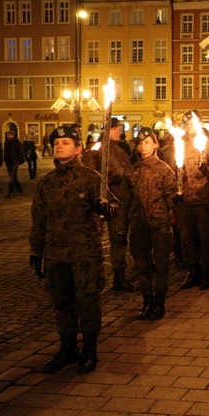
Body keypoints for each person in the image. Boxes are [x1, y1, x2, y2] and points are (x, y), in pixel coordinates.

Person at [29, 125, 118, 374]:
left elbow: (113, 205)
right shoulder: (47, 183)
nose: (60, 146)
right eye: (57, 143)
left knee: (88, 301)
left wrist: (105, 208)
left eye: (66, 142)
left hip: (85, 254)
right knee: (62, 303)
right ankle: (68, 348)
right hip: (56, 254)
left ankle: (89, 350)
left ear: (78, 147)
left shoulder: (90, 177)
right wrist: (36, 251)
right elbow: (39, 220)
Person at [118, 128, 178, 321]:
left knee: (161, 266)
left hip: (159, 224)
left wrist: (177, 201)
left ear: (155, 144)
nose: (143, 146)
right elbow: (124, 201)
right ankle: (147, 301)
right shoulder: (132, 171)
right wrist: (121, 228)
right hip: (138, 225)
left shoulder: (164, 170)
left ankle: (159, 303)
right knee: (141, 266)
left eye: (147, 142)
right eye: (140, 143)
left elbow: (171, 197)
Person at [83, 118, 134, 292]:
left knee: (119, 238)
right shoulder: (96, 150)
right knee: (94, 239)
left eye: (119, 128)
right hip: (100, 202)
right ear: (106, 130)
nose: (118, 131)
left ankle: (120, 278)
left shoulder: (120, 150)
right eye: (115, 129)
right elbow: (90, 176)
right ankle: (93, 276)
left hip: (118, 202)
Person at [175, 110, 209, 290]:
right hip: (184, 199)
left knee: (204, 238)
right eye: (186, 124)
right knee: (186, 238)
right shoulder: (179, 143)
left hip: (203, 198)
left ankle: (205, 271)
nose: (189, 127)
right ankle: (192, 271)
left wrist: (206, 169)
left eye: (191, 123)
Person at [4, 130, 24, 196]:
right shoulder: (6, 143)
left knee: (12, 176)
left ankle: (11, 192)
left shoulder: (18, 143)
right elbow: (6, 152)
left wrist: (17, 160)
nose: (8, 136)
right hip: (8, 162)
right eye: (8, 135)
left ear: (13, 135)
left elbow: (21, 153)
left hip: (14, 162)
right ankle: (19, 189)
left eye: (10, 135)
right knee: (13, 177)